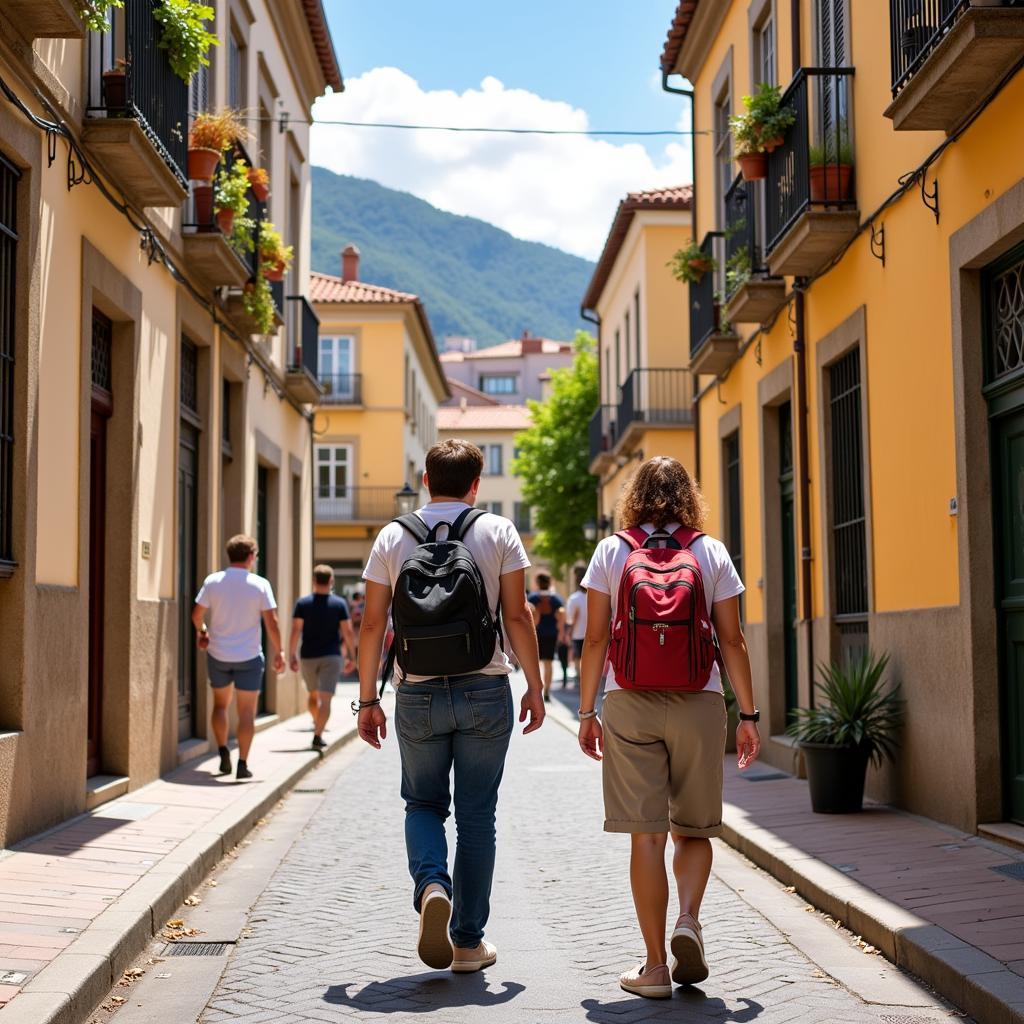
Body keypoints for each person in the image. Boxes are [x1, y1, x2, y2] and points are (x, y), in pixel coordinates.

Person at [357, 439, 546, 974]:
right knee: (477, 816)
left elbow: (373, 624)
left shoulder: (393, 535)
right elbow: (517, 616)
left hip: (415, 690)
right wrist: (533, 685)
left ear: (424, 479)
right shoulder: (497, 530)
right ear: (476, 484)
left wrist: (368, 698)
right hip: (485, 687)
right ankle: (467, 942)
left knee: (422, 805)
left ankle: (432, 883)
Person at [576, 456, 760, 998]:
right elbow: (733, 641)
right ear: (689, 496)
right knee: (694, 829)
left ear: (633, 496)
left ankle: (655, 967)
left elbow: (594, 640)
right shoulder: (710, 551)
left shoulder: (613, 550)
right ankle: (689, 921)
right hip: (698, 700)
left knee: (647, 834)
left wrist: (588, 712)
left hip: (628, 700)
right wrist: (748, 716)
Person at [192, 534, 285, 780]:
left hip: (218, 654)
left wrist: (203, 632)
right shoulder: (260, 584)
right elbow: (272, 623)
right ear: (251, 556)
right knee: (246, 712)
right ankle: (242, 764)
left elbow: (196, 614)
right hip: (249, 657)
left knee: (220, 705)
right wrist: (280, 651)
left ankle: (223, 752)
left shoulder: (213, 581)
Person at [288, 565, 357, 750]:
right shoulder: (339, 604)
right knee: (325, 700)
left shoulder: (303, 603)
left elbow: (296, 630)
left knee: (312, 695)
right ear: (331, 581)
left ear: (314, 581)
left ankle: (317, 726)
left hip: (308, 656)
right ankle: (318, 734)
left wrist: (291, 654)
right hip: (331, 656)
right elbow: (348, 632)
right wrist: (352, 655)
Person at [528, 573, 564, 702]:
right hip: (551, 634)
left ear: (538, 583)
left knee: (535, 664)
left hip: (535, 634)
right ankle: (547, 690)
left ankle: (536, 689)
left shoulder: (532, 598)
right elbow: (561, 616)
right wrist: (561, 633)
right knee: (548, 663)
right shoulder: (556, 599)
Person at [565, 567, 588, 686]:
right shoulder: (594, 597)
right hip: (591, 633)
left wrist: (568, 633)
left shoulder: (573, 598)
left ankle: (579, 678)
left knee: (577, 657)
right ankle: (585, 678)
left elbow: (570, 619)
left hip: (577, 633)